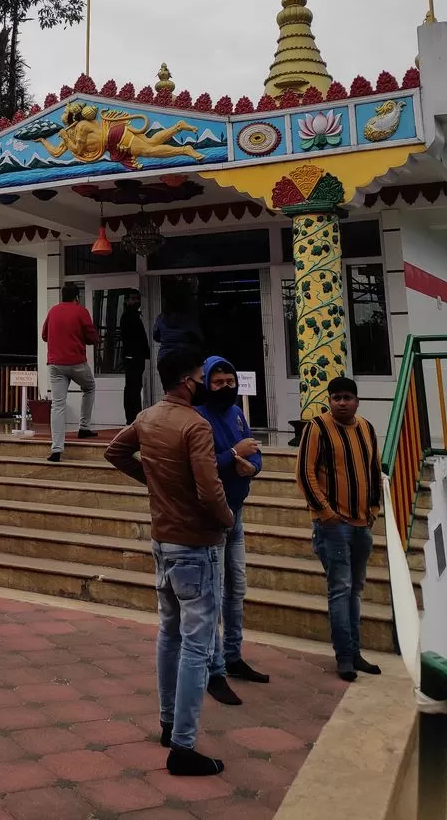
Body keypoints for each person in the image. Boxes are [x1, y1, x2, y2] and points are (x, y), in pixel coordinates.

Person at [105, 347, 234, 777]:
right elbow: (209, 491)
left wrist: (156, 482)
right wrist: (227, 519)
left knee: (170, 634)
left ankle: (168, 722)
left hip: (163, 541)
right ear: (186, 381)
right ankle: (183, 744)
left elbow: (115, 452)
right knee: (196, 645)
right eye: (200, 377)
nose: (205, 384)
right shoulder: (195, 425)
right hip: (196, 544)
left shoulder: (148, 417)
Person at [296, 376, 383, 682]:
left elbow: (374, 470)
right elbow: (304, 472)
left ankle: (355, 652)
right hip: (333, 525)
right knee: (341, 589)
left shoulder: (366, 428)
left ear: (357, 401)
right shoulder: (317, 428)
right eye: (336, 398)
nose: (342, 403)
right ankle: (344, 656)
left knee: (355, 590)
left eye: (347, 397)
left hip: (362, 524)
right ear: (329, 401)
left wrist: (373, 510)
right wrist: (326, 512)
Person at [195, 356, 269, 705]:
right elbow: (201, 465)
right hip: (214, 516)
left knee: (236, 587)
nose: (225, 388)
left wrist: (251, 467)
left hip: (237, 512)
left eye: (229, 382)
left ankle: (233, 655)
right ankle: (214, 670)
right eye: (217, 382)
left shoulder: (237, 413)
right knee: (213, 592)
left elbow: (254, 451)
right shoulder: (198, 418)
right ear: (205, 384)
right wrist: (231, 456)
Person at [41, 283, 98, 463]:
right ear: (77, 297)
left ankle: (57, 449)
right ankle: (84, 427)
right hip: (76, 363)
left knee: (57, 405)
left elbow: (44, 336)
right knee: (89, 387)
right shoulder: (81, 311)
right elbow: (92, 338)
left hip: (55, 364)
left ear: (62, 296)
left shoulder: (53, 311)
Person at [153, 278, 203, 378]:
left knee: (169, 385)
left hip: (165, 358)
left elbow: (156, 336)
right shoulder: (189, 319)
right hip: (184, 357)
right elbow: (199, 338)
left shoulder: (162, 318)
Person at [120, 290, 150, 424]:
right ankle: (133, 418)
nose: (136, 301)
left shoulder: (134, 316)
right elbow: (134, 338)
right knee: (133, 388)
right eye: (133, 298)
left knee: (135, 388)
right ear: (127, 300)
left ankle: (134, 417)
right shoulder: (128, 316)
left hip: (135, 357)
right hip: (132, 357)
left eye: (138, 298)